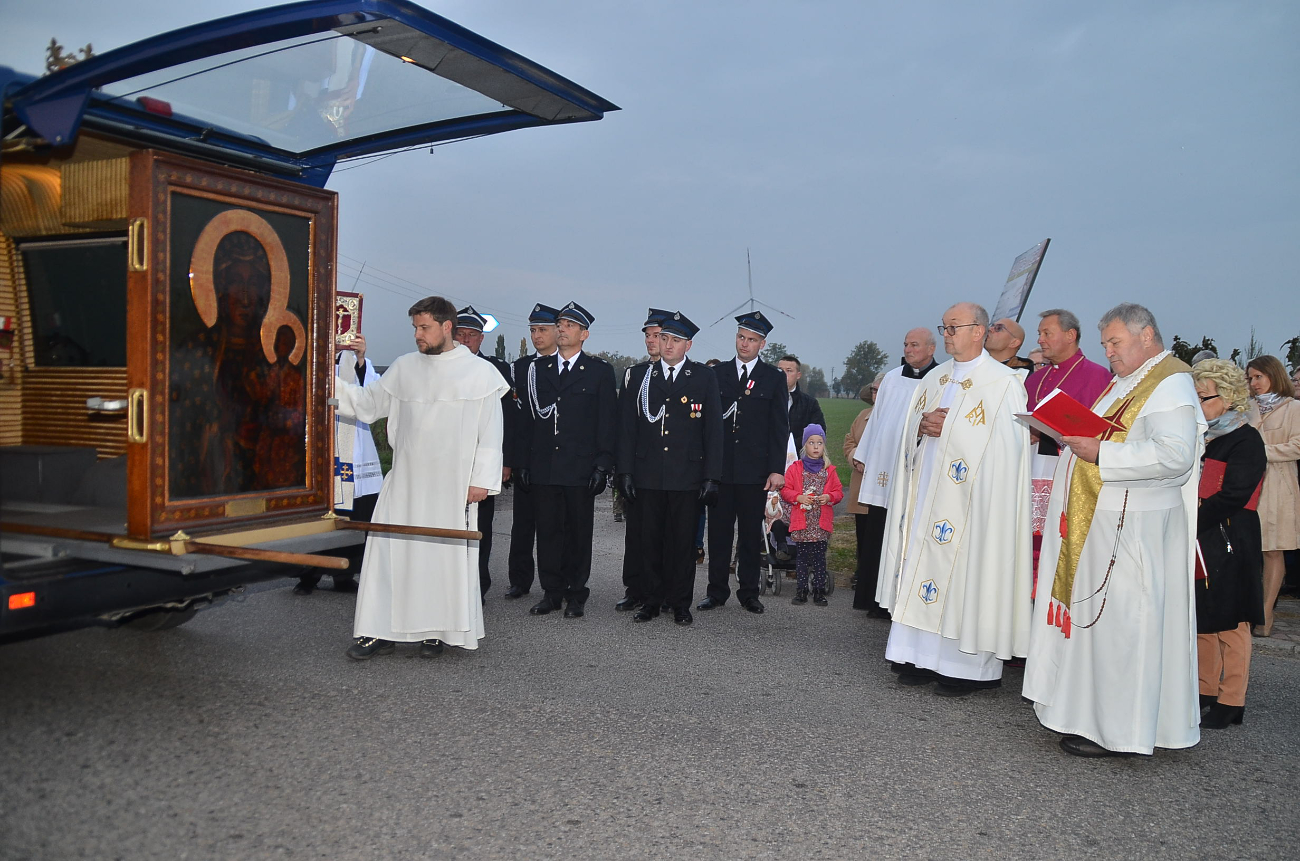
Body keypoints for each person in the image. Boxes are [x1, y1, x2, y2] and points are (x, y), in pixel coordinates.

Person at [1024, 303, 1204, 757]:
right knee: (1103, 626)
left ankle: (1121, 730)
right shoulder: (1128, 382)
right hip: (1106, 522)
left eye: (1115, 343)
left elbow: (1175, 456)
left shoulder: (1171, 382)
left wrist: (1101, 454)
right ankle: (1090, 716)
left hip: (1136, 527)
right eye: (1105, 344)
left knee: (1127, 626)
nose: (1109, 353)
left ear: (1147, 336)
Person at [334, 296, 509, 660]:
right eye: (415, 327)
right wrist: (326, 381)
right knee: (388, 554)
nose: (418, 334)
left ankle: (435, 631)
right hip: (406, 482)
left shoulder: (479, 374)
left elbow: (491, 435)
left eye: (424, 327)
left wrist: (481, 482)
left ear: (447, 327)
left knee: (436, 559)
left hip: (451, 485)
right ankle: (377, 632)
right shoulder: (404, 368)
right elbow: (368, 406)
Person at [877, 303, 1033, 696]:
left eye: (954, 327)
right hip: (929, 491)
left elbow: (1009, 451)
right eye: (943, 328)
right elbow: (912, 429)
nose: (946, 335)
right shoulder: (935, 377)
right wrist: (920, 426)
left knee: (967, 574)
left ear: (979, 331)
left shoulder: (1004, 382)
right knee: (921, 561)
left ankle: (965, 668)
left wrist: (950, 429)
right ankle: (918, 655)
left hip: (974, 506)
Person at [617, 311, 722, 626]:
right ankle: (650, 600)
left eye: (675, 340)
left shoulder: (703, 378)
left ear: (688, 345)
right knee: (649, 541)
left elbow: (713, 431)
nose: (667, 344)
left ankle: (679, 603)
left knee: (682, 543)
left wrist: (711, 477)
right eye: (664, 338)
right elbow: (627, 428)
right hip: (648, 473)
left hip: (686, 475)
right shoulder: (640, 377)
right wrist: (625, 471)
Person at [515, 302, 617, 619]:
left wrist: (603, 465)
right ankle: (552, 592)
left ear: (584, 334)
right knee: (548, 533)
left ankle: (576, 593)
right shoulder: (539, 371)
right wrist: (523, 462)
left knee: (577, 533)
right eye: (560, 324)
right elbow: (527, 423)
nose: (562, 329)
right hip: (545, 466)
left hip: (579, 468)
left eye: (569, 325)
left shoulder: (599, 372)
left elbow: (606, 423)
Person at [698, 311, 789, 616]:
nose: (744, 344)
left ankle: (749, 592)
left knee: (750, 534)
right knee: (719, 534)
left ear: (762, 343)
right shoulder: (716, 374)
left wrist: (777, 469)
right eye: (741, 337)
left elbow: (779, 427)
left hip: (755, 472)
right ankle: (716, 591)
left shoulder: (773, 378)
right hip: (722, 471)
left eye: (751, 339)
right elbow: (708, 425)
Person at [1192, 359, 1266, 729]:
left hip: (1231, 536)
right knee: (1203, 615)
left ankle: (1232, 699)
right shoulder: (1202, 436)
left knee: (1233, 622)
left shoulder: (1246, 439)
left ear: (1229, 397)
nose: (1198, 402)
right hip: (1204, 536)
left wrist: (1194, 516)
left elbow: (1235, 494)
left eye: (1204, 396)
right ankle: (1205, 690)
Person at [1022, 309, 1114, 590]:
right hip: (1033, 467)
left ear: (1070, 335)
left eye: (1046, 333)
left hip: (1070, 469)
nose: (1041, 339)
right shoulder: (1034, 379)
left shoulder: (1097, 376)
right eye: (1040, 333)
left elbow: (1102, 431)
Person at [851, 327, 939, 616]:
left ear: (931, 349)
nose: (908, 349)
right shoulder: (891, 378)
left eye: (915, 344)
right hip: (886, 467)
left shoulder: (940, 378)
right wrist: (865, 455)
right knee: (880, 530)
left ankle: (905, 603)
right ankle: (875, 601)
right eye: (906, 344)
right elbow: (877, 420)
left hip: (918, 466)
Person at [295, 333, 381, 595]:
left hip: (353, 449)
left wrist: (361, 358)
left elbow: (373, 397)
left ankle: (344, 575)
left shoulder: (354, 362)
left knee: (352, 515)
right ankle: (308, 574)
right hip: (320, 446)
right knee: (318, 516)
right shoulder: (306, 359)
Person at [455, 305, 516, 598]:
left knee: (481, 525)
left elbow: (507, 419)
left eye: (472, 335)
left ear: (481, 339)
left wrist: (505, 462)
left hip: (482, 461)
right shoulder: (440, 366)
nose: (466, 340)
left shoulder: (497, 369)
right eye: (461, 334)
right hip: (448, 461)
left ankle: (478, 583)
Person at [615, 308, 671, 612]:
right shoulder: (634, 374)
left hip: (669, 470)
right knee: (636, 533)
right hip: (639, 467)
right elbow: (625, 426)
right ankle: (634, 587)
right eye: (648, 336)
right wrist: (622, 470)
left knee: (665, 533)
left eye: (657, 335)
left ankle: (662, 591)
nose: (651, 341)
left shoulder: (683, 374)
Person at [504, 303, 561, 600]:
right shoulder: (521, 368)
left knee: (554, 526)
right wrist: (513, 461)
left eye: (542, 330)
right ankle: (520, 579)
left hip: (557, 459)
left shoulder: (565, 366)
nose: (537, 336)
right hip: (528, 457)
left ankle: (554, 583)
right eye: (533, 331)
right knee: (522, 525)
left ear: (557, 331)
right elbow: (515, 420)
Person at [1245, 355, 1300, 637]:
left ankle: (1266, 614)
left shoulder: (1294, 408)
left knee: (1273, 549)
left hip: (1278, 485)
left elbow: (1296, 446)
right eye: (1250, 378)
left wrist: (1260, 452)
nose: (1254, 383)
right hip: (1247, 484)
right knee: (1249, 548)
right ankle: (1248, 609)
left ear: (1273, 375)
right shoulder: (1248, 408)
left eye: (1258, 377)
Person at [782, 425, 843, 605]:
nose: (816, 446)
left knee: (819, 558)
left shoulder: (829, 470)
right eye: (811, 443)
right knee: (801, 558)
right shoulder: (795, 468)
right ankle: (801, 590)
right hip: (802, 522)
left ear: (824, 446)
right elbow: (785, 490)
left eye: (819, 443)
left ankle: (818, 590)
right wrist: (798, 497)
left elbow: (839, 492)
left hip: (820, 523)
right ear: (804, 446)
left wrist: (829, 496)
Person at [843, 377, 879, 590]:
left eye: (880, 390)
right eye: (873, 390)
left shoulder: (899, 417)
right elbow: (849, 441)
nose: (876, 394)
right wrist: (856, 457)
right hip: (861, 481)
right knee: (862, 529)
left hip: (884, 484)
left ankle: (875, 574)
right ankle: (861, 570)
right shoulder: (863, 416)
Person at [779, 355, 825, 449]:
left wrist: (791, 447)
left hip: (799, 458)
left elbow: (817, 432)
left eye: (789, 370)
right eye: (780, 370)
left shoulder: (810, 404)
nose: (783, 374)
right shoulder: (764, 399)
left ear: (798, 375)